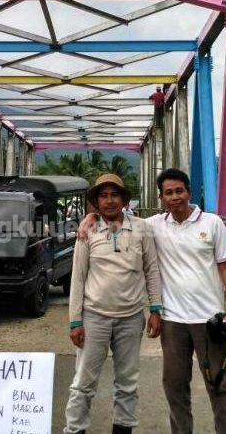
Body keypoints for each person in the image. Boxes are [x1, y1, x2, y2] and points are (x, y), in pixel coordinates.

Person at [79, 168, 226, 434]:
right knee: (175, 388)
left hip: (209, 320)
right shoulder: (153, 226)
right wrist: (91, 216)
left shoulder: (212, 224)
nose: (175, 197)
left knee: (221, 386)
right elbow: (116, 214)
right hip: (172, 322)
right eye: (169, 193)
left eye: (179, 191)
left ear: (189, 192)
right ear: (161, 197)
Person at [64, 173, 163, 434]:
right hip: (94, 317)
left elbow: (151, 269)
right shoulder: (88, 230)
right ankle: (75, 430)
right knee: (83, 383)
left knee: (127, 383)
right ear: (96, 202)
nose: (109, 201)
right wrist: (75, 320)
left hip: (131, 318)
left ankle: (123, 430)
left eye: (114, 195)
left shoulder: (142, 228)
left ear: (124, 199)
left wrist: (155, 309)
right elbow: (78, 276)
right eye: (103, 196)